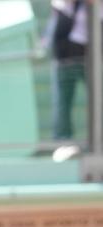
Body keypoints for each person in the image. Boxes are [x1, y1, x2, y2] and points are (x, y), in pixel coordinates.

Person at [47, 0, 93, 154]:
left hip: (90, 60)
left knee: (98, 102)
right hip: (64, 60)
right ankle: (63, 142)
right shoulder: (64, 6)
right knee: (62, 104)